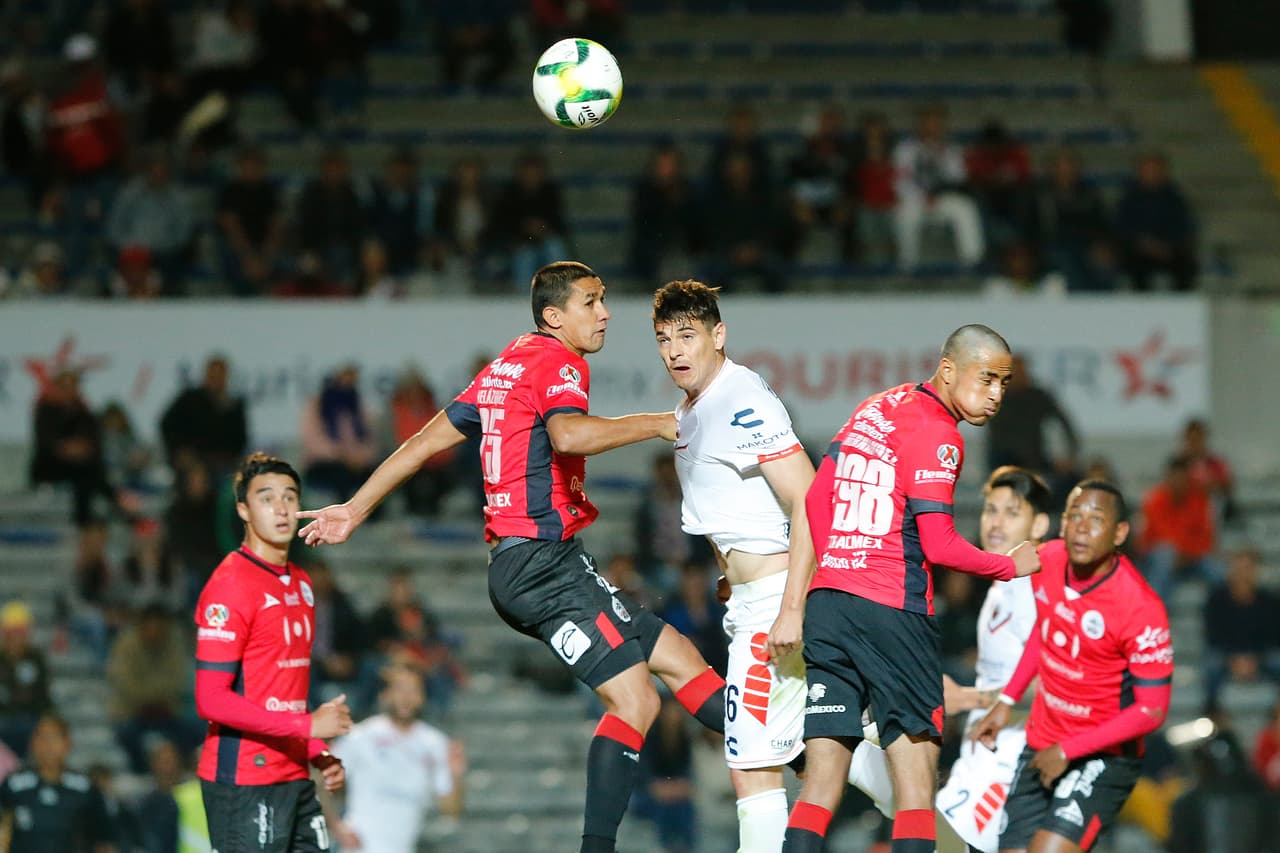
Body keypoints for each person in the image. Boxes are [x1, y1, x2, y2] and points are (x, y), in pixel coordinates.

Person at [298, 261, 728, 853]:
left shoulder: (508, 364)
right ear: (554, 316)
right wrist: (660, 422)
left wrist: (355, 508)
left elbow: (422, 444)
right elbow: (569, 436)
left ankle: (792, 753)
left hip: (544, 561)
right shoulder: (558, 361)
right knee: (637, 699)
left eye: (603, 299)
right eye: (591, 302)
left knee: (678, 657)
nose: (605, 313)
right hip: (540, 567)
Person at [777, 324, 1041, 853]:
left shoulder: (877, 407)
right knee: (916, 786)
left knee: (821, 782)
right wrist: (1008, 565)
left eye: (1004, 383)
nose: (995, 394)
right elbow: (939, 545)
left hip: (828, 606)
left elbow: (815, 499)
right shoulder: (941, 435)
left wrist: (825, 580)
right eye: (986, 379)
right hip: (893, 610)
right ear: (948, 370)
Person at [653, 279, 816, 853]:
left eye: (688, 336)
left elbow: (808, 498)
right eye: (664, 339)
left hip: (774, 605)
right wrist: (731, 573)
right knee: (808, 754)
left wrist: (790, 609)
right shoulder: (695, 407)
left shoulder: (740, 398)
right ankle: (932, 818)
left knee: (750, 765)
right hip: (751, 602)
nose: (675, 351)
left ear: (718, 335)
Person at [972, 481, 1173, 853]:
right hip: (1043, 742)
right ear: (1062, 523)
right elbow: (1046, 628)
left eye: (1095, 519)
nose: (1082, 527)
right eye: (1075, 516)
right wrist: (1006, 700)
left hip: (1103, 756)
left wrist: (1069, 749)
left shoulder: (1140, 607)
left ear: (1119, 533)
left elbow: (1152, 710)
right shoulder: (1047, 559)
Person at [193, 452, 350, 853]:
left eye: (289, 497)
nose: (281, 508)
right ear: (243, 510)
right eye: (266, 498)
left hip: (293, 773)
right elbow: (211, 700)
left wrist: (316, 750)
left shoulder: (301, 583)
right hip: (244, 778)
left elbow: (282, 689)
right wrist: (306, 727)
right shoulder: (230, 586)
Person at [935, 468, 1053, 852]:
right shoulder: (1003, 584)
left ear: (1039, 525)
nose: (996, 522)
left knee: (932, 833)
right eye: (991, 510)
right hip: (983, 754)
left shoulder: (1031, 589)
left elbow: (1052, 685)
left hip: (1012, 759)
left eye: (1011, 512)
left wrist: (967, 698)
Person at [327, 664, 464, 853]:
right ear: (384, 695)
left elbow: (451, 810)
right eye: (400, 689)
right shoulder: (360, 736)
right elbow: (321, 782)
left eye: (413, 691)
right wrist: (336, 826)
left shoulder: (435, 743)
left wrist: (456, 775)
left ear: (423, 697)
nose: (406, 697)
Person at [0, 712, 114, 853]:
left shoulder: (85, 788)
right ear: (32, 743)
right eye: (42, 737)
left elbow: (103, 841)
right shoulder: (13, 785)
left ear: (68, 743)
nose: (48, 745)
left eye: (54, 737)